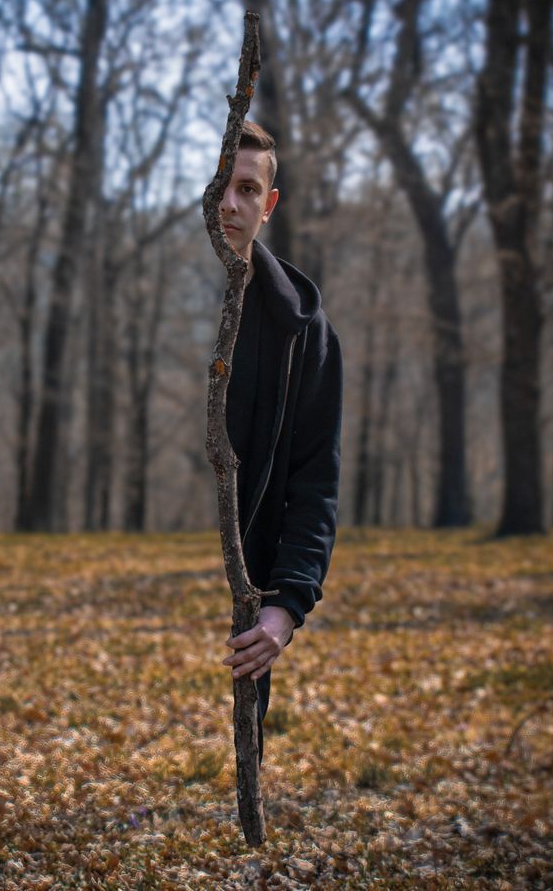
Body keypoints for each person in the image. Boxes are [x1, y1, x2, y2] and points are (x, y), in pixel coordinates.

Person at [219, 120, 343, 764]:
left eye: (248, 189)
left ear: (269, 205)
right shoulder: (146, 290)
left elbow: (314, 480)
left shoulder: (304, 335)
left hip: (244, 607)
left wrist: (286, 608)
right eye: (222, 185)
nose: (231, 204)